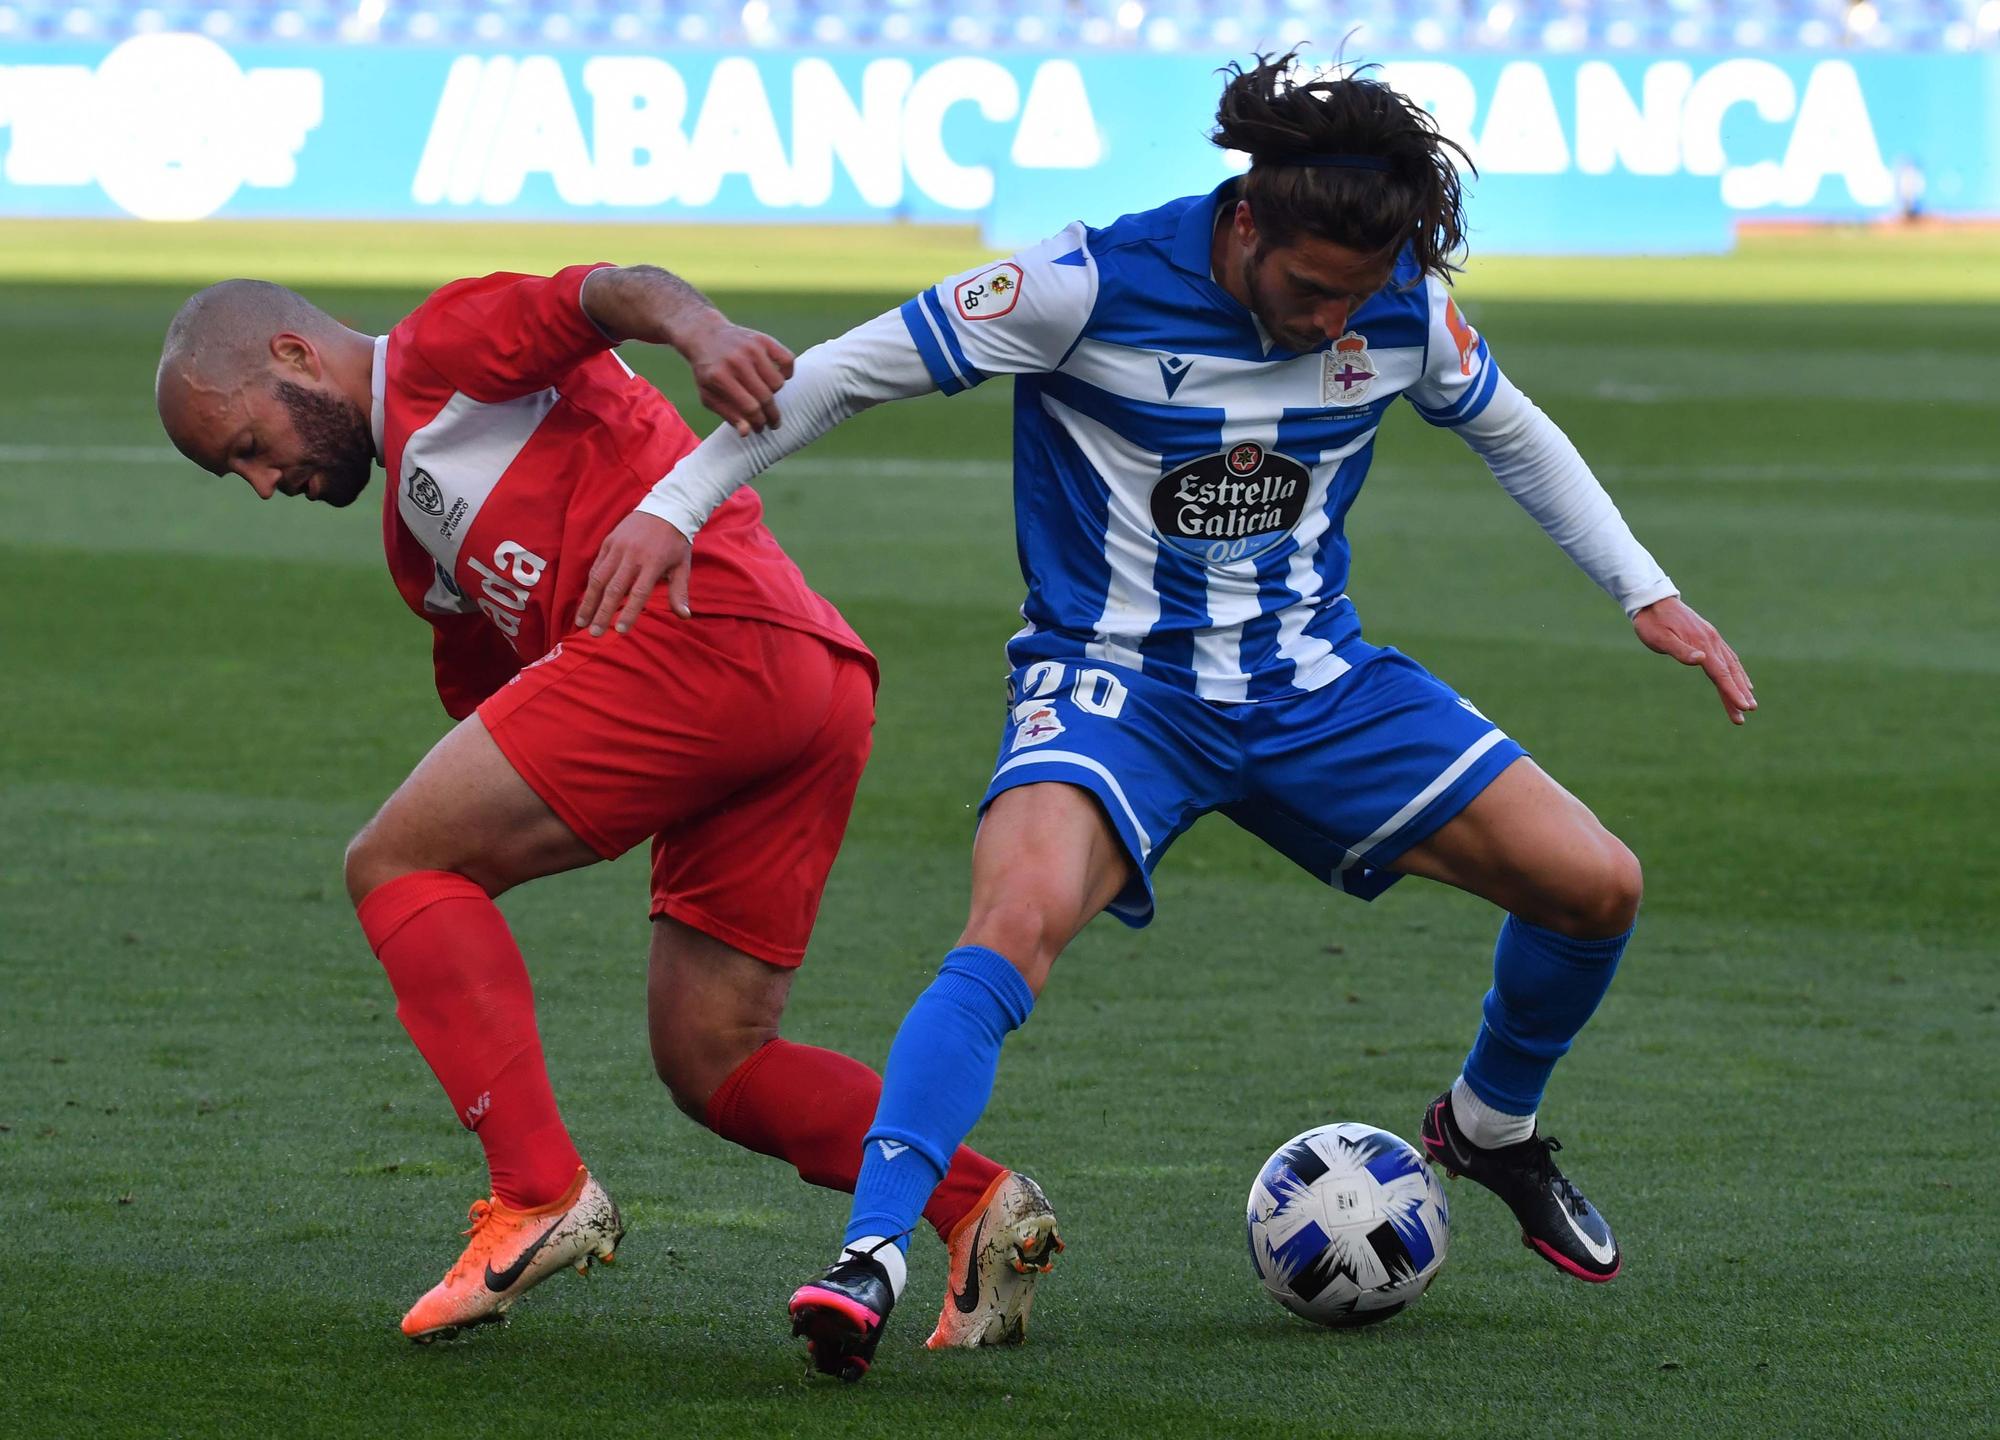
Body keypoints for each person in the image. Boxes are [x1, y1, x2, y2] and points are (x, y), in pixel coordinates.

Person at [573, 54, 1757, 1380]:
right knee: (1010, 926)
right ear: (1244, 222)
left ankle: (1487, 1126)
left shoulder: (1400, 307)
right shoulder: (1080, 285)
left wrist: (1646, 594)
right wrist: (672, 505)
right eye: (1312, 291)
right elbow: (838, 376)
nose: (1332, 323)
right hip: (1114, 689)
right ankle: (873, 1254)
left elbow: (1514, 428)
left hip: (1315, 682)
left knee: (1597, 886)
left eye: (1356, 299)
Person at [151, 263, 1061, 1351]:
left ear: (293, 356)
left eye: (250, 445)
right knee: (712, 1057)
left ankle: (538, 1191)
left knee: (394, 865)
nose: (264, 483)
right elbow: (492, 708)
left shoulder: (437, 351)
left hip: (705, 638)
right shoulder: (417, 545)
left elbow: (602, 292)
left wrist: (703, 330)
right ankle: (977, 1204)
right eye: (236, 474)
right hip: (800, 682)